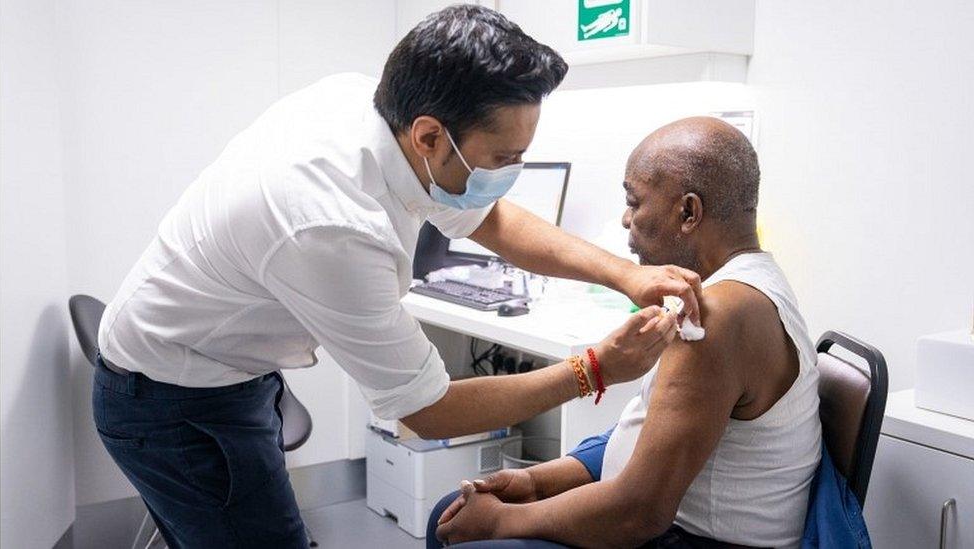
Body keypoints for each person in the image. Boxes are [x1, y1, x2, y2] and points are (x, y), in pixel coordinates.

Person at [93, 6, 703, 548]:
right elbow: (426, 411)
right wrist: (592, 370)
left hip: (223, 365)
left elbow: (487, 217)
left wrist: (628, 276)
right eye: (504, 159)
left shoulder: (376, 107)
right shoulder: (329, 223)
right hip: (174, 396)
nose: (514, 172)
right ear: (430, 137)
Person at [432, 117, 823, 549]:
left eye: (634, 202)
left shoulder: (718, 316)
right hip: (668, 522)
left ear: (688, 212)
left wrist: (501, 523)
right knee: (453, 512)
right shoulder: (751, 282)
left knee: (462, 534)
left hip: (688, 539)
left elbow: (638, 513)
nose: (624, 219)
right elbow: (641, 436)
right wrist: (534, 481)